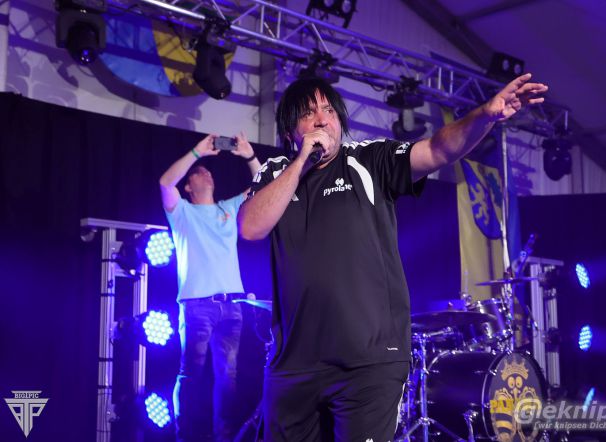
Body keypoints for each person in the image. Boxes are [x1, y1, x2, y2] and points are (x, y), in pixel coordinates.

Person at [237, 73, 547, 441]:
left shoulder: (368, 160)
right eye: (308, 113)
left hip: (369, 362)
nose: (322, 119)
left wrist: (486, 115)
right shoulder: (276, 172)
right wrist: (302, 160)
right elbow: (250, 228)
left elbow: (437, 150)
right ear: (290, 131)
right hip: (294, 364)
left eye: (328, 110)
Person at [159, 132, 261, 442]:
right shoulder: (182, 212)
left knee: (228, 377)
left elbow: (264, 185)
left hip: (232, 306)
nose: (206, 173)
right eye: (198, 173)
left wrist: (249, 155)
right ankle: (185, 435)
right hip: (197, 306)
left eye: (208, 171)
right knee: (191, 374)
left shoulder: (228, 208)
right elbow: (165, 183)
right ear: (188, 187)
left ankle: (224, 437)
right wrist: (197, 152)